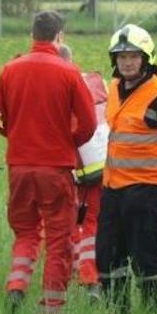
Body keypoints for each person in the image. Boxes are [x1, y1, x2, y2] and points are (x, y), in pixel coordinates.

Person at [0, 10, 98, 314]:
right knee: (58, 239)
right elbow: (89, 123)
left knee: (25, 231)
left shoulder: (10, 69)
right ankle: (51, 313)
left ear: (32, 34)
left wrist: (19, 135)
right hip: (56, 167)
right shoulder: (68, 72)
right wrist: (68, 140)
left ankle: (16, 285)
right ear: (59, 36)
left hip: (20, 166)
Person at [97, 25, 157, 311]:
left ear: (146, 58)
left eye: (133, 56)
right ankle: (118, 313)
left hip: (146, 190)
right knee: (107, 254)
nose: (127, 62)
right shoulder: (114, 88)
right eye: (121, 57)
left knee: (146, 255)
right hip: (113, 188)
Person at [56, 43, 109, 289]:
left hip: (73, 169)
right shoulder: (95, 81)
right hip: (101, 165)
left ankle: (81, 273)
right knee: (92, 222)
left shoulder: (56, 88)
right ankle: (89, 274)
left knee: (74, 222)